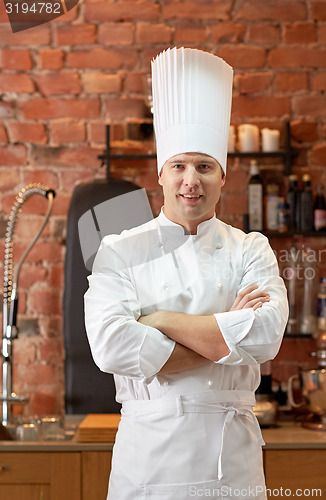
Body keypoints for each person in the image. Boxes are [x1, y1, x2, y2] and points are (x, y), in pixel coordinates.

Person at [84, 47, 288, 500]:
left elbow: (264, 338)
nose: (190, 180)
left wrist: (158, 322)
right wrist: (223, 336)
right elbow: (111, 347)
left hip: (230, 466)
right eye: (178, 166)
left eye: (204, 166)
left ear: (222, 176)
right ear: (160, 174)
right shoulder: (118, 251)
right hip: (147, 468)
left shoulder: (250, 248)